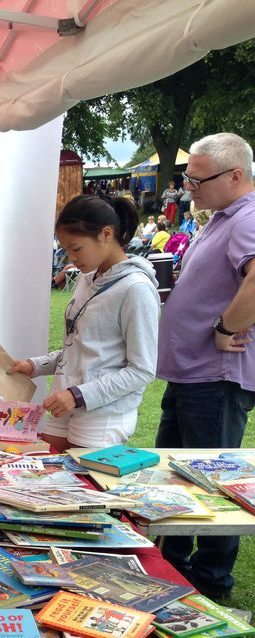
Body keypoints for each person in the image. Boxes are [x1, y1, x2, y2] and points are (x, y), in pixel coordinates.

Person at [156, 132, 255, 601]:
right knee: (172, 479)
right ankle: (170, 567)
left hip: (215, 378)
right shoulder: (223, 216)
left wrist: (222, 325)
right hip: (192, 375)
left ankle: (210, 582)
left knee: (212, 486)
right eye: (187, 178)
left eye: (197, 179)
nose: (187, 187)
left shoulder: (248, 216)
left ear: (236, 175)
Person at [8, 194, 159, 451]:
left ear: (107, 234)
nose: (72, 258)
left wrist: (78, 396)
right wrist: (34, 366)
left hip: (102, 414)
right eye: (66, 249)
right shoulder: (87, 277)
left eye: (76, 248)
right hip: (65, 400)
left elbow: (142, 370)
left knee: (80, 484)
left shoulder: (136, 289)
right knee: (48, 475)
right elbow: (79, 347)